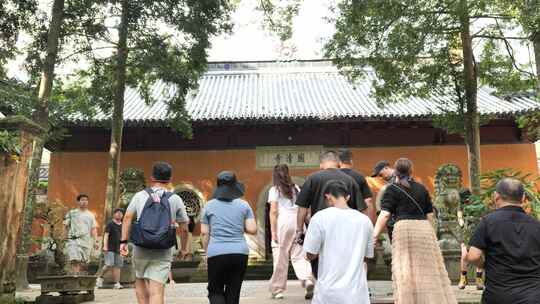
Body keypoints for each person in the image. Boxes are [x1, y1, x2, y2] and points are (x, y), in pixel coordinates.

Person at [373, 158, 457, 304]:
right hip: (424, 228)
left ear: (396, 170)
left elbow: (385, 214)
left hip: (404, 229)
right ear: (411, 171)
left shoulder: (391, 189)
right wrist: (431, 233)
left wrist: (374, 235)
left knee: (407, 270)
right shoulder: (422, 188)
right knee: (428, 270)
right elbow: (430, 215)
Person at [120, 162, 189, 304]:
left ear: (152, 177)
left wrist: (123, 242)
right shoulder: (175, 199)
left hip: (141, 246)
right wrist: (183, 248)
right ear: (170, 179)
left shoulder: (140, 196)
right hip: (163, 249)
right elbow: (184, 227)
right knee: (156, 291)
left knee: (139, 280)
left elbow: (127, 217)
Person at [464, 178, 540, 304]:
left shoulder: (488, 222)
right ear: (523, 198)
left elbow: (473, 256)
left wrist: (484, 264)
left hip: (499, 295)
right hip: (534, 296)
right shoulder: (536, 225)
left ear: (496, 196)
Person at [296, 150, 367, 278]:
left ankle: (323, 289)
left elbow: (302, 207)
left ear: (321, 164)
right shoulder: (350, 180)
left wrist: (299, 230)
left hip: (320, 228)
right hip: (347, 230)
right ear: (338, 163)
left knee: (320, 266)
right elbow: (362, 208)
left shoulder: (312, 178)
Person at [304, 180, 374, 304]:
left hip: (328, 293)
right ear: (347, 197)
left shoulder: (319, 218)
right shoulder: (365, 221)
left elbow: (311, 254)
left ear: (327, 197)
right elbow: (367, 257)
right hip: (357, 295)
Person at [200, 171, 257, 304]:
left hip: (216, 253)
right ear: (235, 186)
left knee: (215, 290)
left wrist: (207, 252)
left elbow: (204, 233)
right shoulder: (244, 205)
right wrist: (237, 226)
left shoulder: (209, 206)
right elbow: (252, 229)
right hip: (240, 253)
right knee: (233, 292)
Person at [268, 164, 314, 300]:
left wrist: (273, 232)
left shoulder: (274, 189)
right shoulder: (296, 189)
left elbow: (274, 211)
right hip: (297, 221)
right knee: (299, 254)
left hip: (283, 222)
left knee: (280, 256)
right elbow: (304, 210)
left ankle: (277, 290)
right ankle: (307, 280)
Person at [338, 148, 375, 223]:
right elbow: (368, 201)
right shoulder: (359, 176)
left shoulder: (332, 176)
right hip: (356, 219)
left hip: (336, 219)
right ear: (351, 161)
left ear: (339, 162)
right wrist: (369, 222)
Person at [456, 189, 484, 290]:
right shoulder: (461, 204)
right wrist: (460, 219)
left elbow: (482, 210)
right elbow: (459, 215)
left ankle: (479, 279)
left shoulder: (477, 202)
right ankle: (463, 277)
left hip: (477, 230)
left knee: (478, 255)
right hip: (465, 231)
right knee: (464, 254)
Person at [64, 194, 98, 274]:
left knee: (83, 261)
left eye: (86, 200)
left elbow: (93, 229)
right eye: (82, 200)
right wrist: (64, 237)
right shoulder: (72, 213)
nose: (84, 202)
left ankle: (78, 275)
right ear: (78, 202)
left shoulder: (91, 215)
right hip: (73, 240)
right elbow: (65, 225)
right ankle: (75, 276)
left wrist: (96, 241)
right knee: (74, 259)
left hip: (86, 241)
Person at [96, 208, 124, 289]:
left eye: (121, 213)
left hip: (119, 248)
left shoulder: (123, 225)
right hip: (110, 247)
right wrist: (105, 246)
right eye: (117, 213)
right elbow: (106, 235)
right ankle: (100, 277)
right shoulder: (110, 224)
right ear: (114, 214)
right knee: (109, 264)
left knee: (118, 266)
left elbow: (124, 237)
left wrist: (124, 247)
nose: (119, 214)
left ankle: (117, 283)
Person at [371, 161, 396, 241]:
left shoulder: (399, 178)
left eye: (381, 174)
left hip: (399, 222)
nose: (381, 178)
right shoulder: (389, 184)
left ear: (386, 168)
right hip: (392, 222)